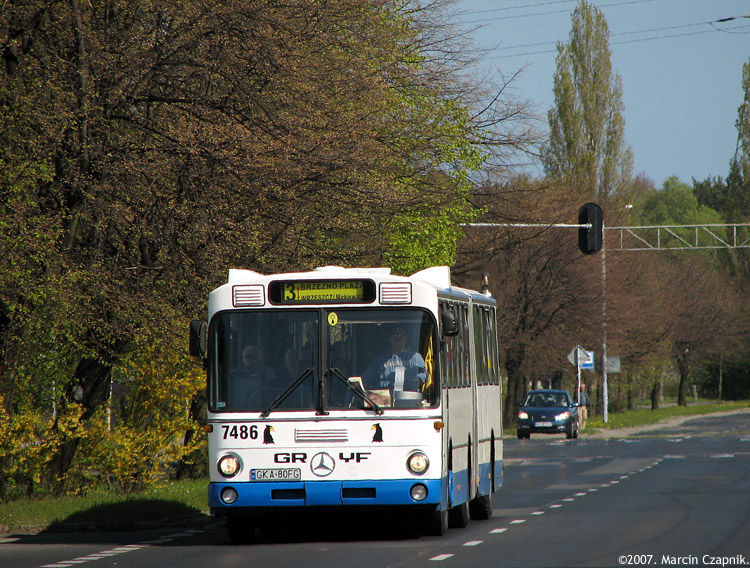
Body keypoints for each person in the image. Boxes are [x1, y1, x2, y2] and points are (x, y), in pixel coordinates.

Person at [362, 325, 427, 406]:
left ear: (407, 338)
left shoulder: (415, 357)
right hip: (384, 404)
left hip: (410, 402)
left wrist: (418, 380)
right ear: (389, 338)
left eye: (401, 335)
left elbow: (423, 376)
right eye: (394, 335)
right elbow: (365, 380)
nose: (397, 337)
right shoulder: (379, 360)